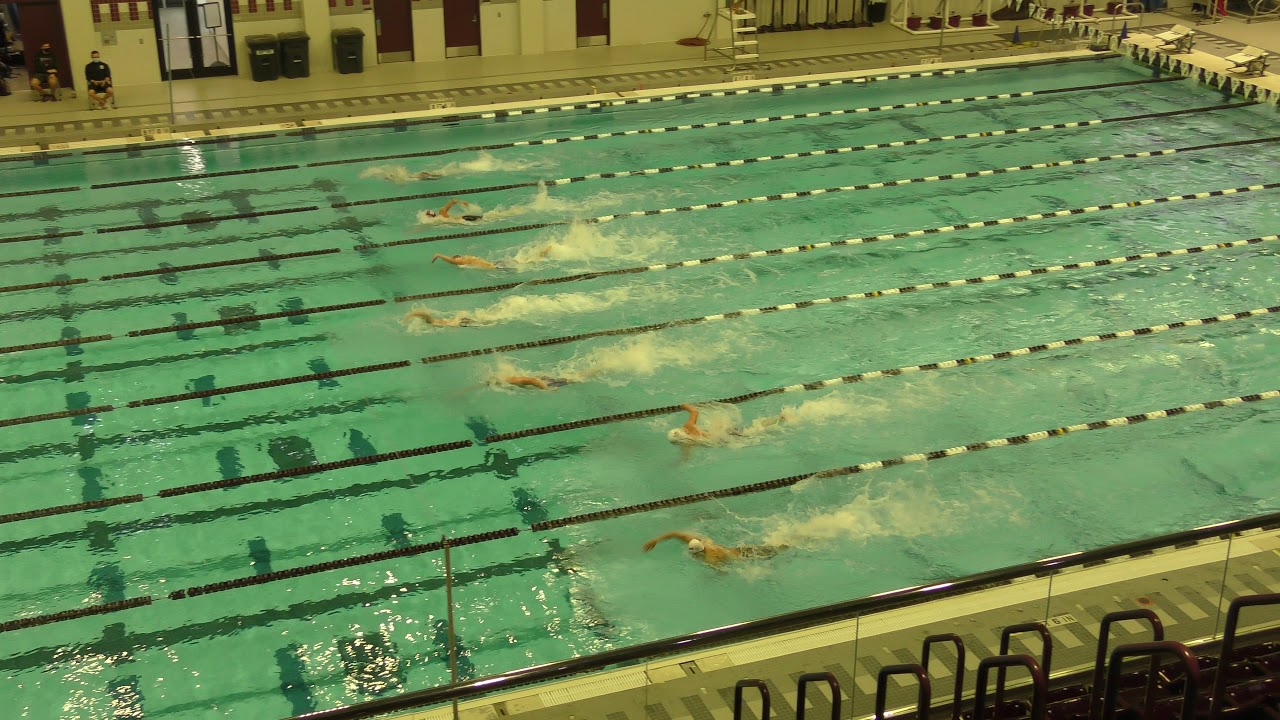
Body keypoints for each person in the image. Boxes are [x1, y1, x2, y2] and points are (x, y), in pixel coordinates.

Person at [643, 531, 788, 568]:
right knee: (773, 547)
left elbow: (723, 573)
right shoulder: (699, 542)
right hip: (741, 549)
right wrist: (655, 540)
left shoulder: (711, 559)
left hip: (745, 556)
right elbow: (675, 534)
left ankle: (800, 540)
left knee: (777, 550)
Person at [667, 403, 791, 446]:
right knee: (754, 428)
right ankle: (779, 418)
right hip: (725, 432)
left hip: (724, 438)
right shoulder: (689, 426)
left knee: (756, 432)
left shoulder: (688, 443)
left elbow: (686, 457)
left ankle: (780, 421)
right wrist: (683, 405)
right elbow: (694, 411)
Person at [401, 307, 478, 328]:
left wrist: (410, 315)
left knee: (479, 322)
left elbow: (424, 314)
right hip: (455, 321)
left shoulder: (430, 321)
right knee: (479, 321)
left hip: (455, 323)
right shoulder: (432, 321)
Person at [433, 253, 500, 270]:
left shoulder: (462, 261)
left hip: (494, 267)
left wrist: (439, 255)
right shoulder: (467, 258)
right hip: (494, 264)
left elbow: (451, 261)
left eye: (455, 259)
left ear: (458, 258)